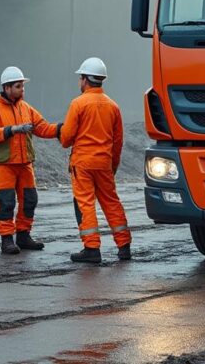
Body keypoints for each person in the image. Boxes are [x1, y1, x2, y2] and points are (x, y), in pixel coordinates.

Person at [0, 66, 60, 255]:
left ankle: (23, 236)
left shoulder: (26, 108)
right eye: (18, 86)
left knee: (30, 200)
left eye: (22, 86)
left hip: (25, 164)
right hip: (6, 164)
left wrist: (61, 129)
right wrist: (11, 130)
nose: (22, 90)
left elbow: (42, 127)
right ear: (6, 88)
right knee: (6, 202)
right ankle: (7, 240)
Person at [59, 57, 130, 264]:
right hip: (104, 164)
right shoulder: (113, 106)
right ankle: (124, 246)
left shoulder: (78, 103)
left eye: (80, 78)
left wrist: (60, 131)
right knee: (111, 202)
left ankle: (91, 248)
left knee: (85, 203)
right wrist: (113, 166)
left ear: (85, 79)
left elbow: (66, 139)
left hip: (83, 164)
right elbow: (118, 142)